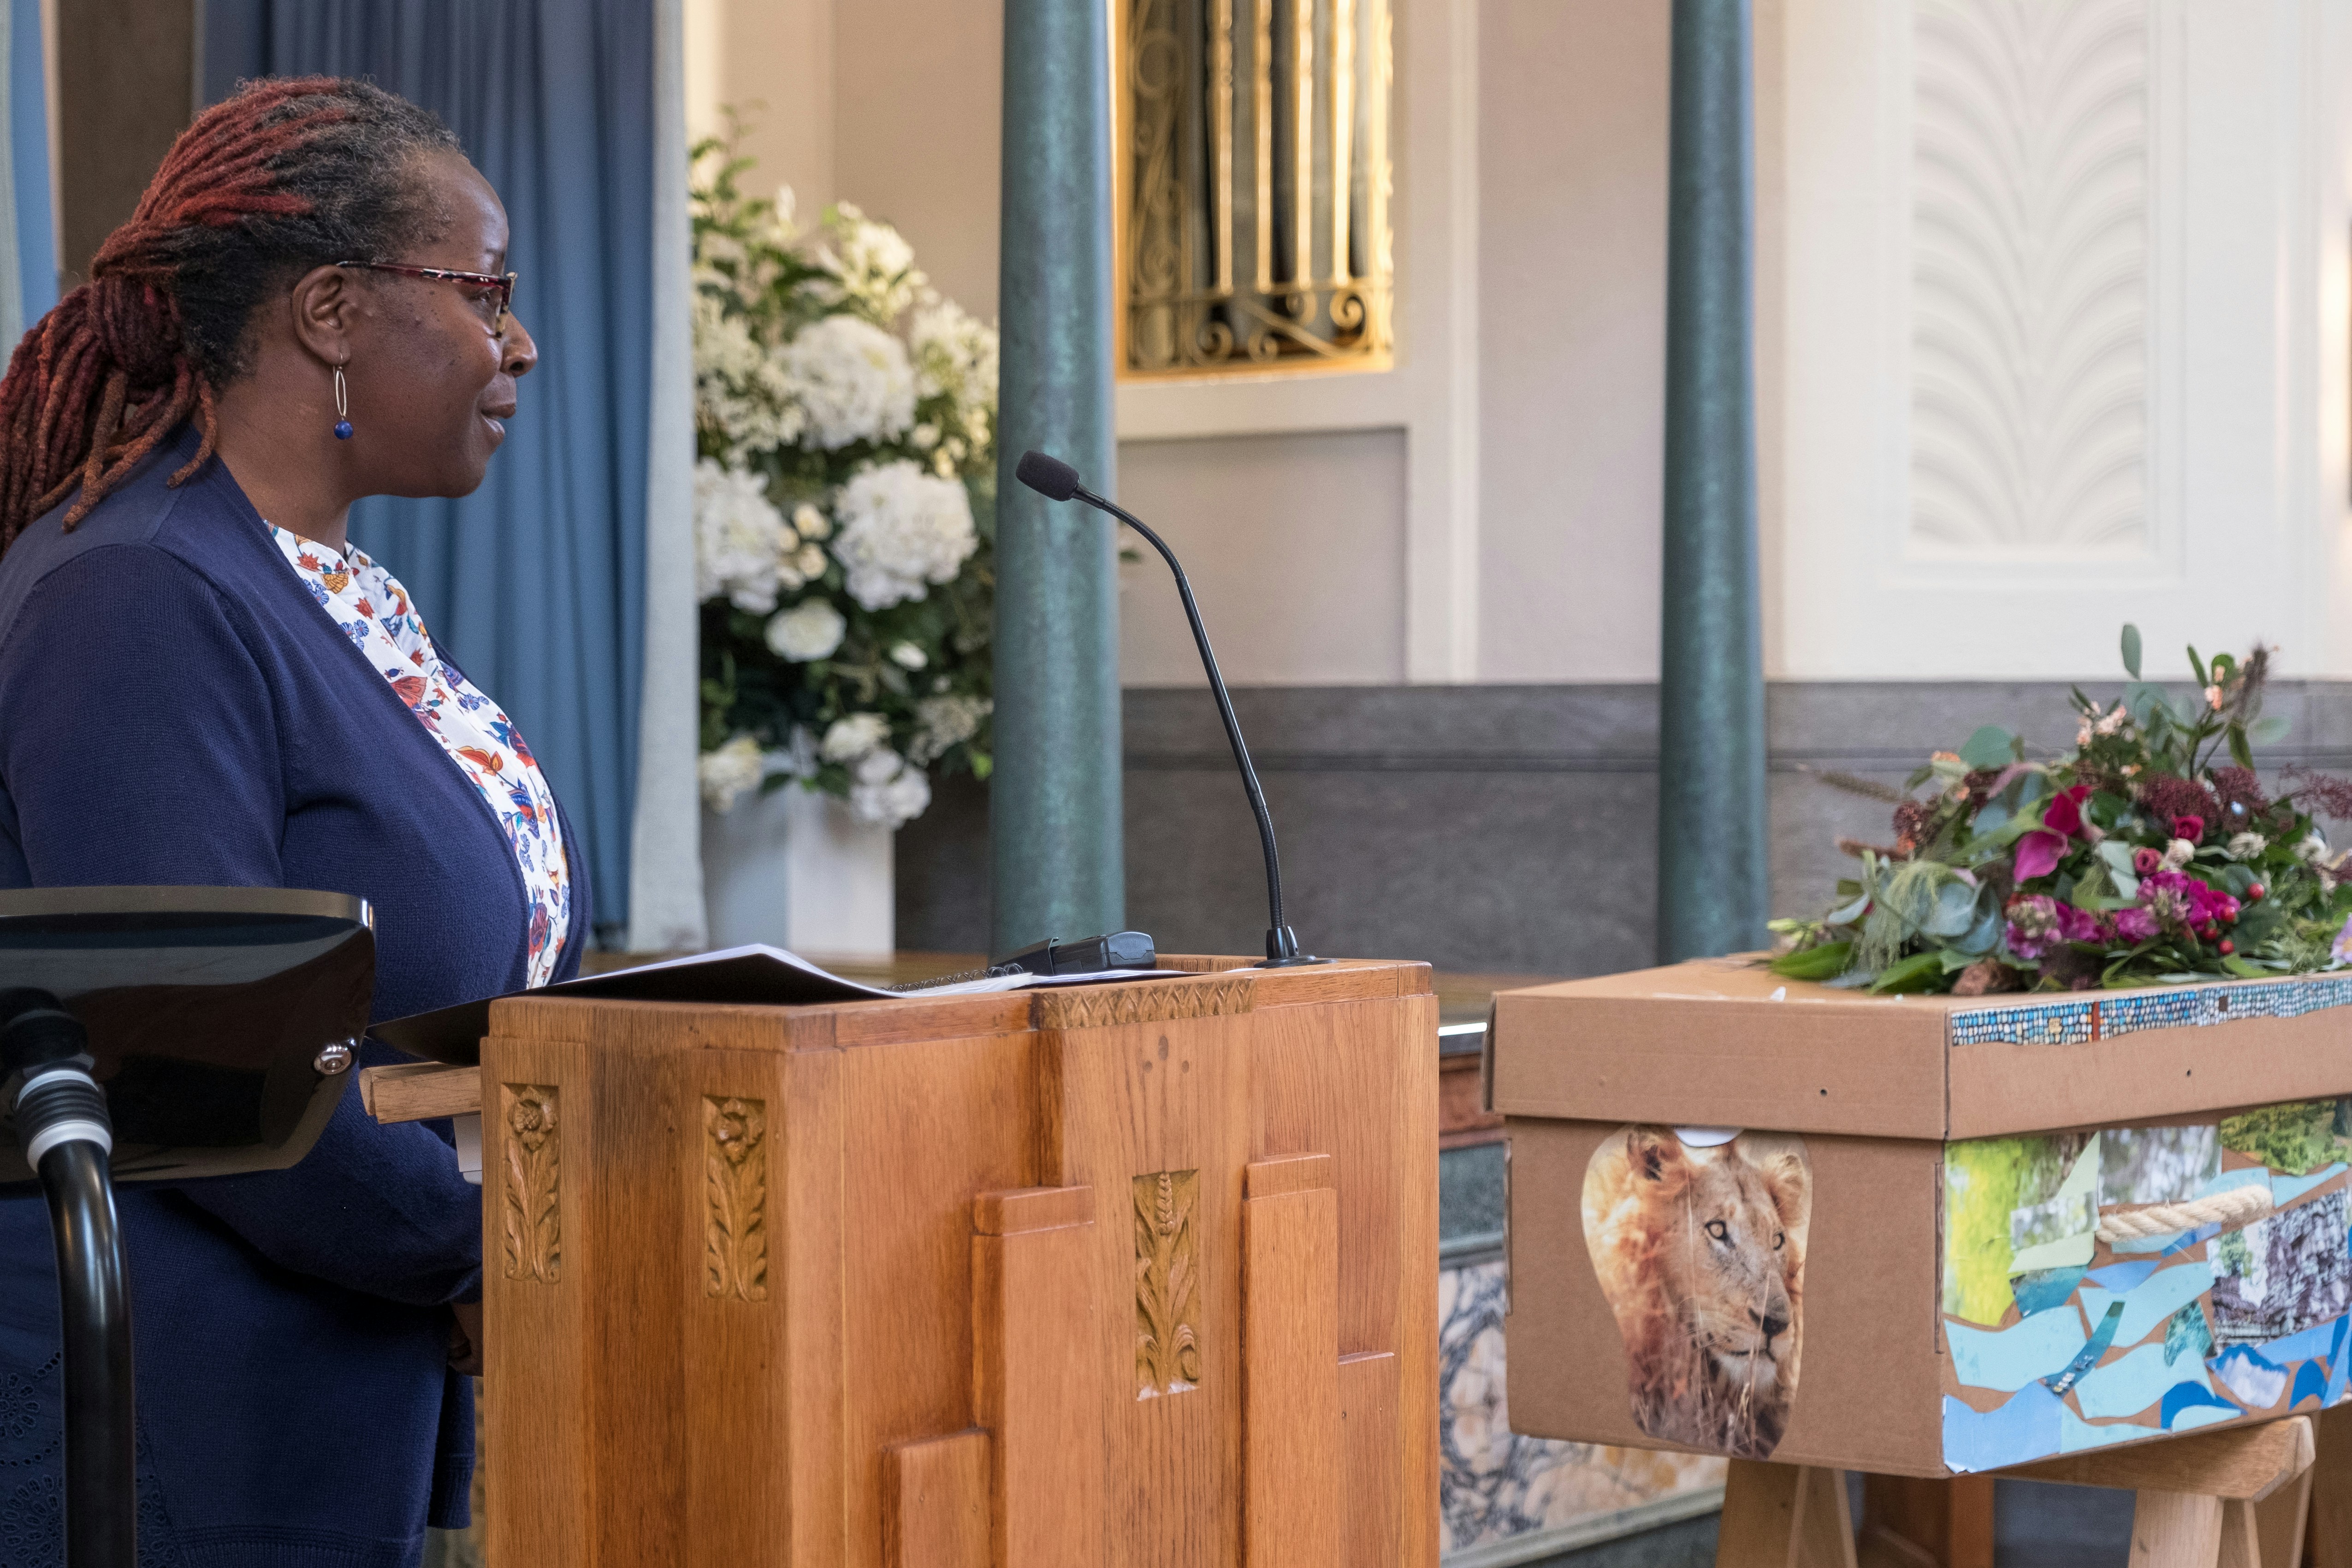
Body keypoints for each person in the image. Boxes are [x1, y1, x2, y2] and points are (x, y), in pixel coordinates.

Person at [0, 77, 581, 1566]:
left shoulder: (320, 586)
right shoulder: (136, 592)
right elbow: (198, 1055)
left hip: (333, 1375)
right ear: (328, 306)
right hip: (181, 1424)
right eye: (483, 290)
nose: (516, 343)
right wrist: (492, 1251)